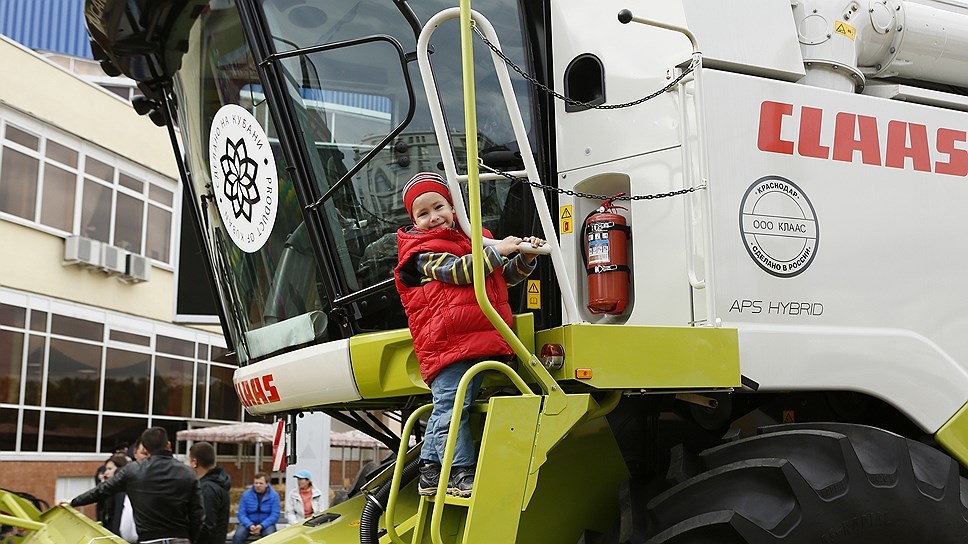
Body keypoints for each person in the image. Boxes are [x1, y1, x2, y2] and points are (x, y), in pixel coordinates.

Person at [393, 172, 545, 498]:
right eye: (423, 213)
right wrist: (498, 251)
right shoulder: (420, 253)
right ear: (413, 221)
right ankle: (459, 472)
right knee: (452, 407)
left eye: (439, 207)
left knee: (452, 407)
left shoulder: (474, 240)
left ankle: (431, 471)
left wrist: (525, 257)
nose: (433, 217)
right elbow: (460, 272)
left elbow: (502, 278)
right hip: (446, 343)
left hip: (470, 341)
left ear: (453, 207)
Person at [70, 427, 203, 544]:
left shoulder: (132, 471)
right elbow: (198, 513)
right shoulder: (188, 473)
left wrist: (73, 502)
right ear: (168, 445)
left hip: (149, 538)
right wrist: (190, 537)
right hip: (180, 537)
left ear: (144, 448)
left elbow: (101, 491)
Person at [188, 442, 231, 544]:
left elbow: (206, 524)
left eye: (188, 460)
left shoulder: (207, 488)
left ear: (195, 462)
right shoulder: (218, 483)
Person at [95, 453, 138, 543]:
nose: (106, 472)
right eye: (106, 469)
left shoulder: (123, 492)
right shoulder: (109, 490)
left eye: (110, 469)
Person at [232, 473, 280, 544]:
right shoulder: (246, 495)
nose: (258, 485)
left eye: (261, 483)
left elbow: (275, 514)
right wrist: (250, 525)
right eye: (256, 483)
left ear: (266, 484)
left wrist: (261, 525)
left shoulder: (274, 496)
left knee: (270, 537)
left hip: (266, 524)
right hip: (248, 523)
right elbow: (241, 514)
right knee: (237, 536)